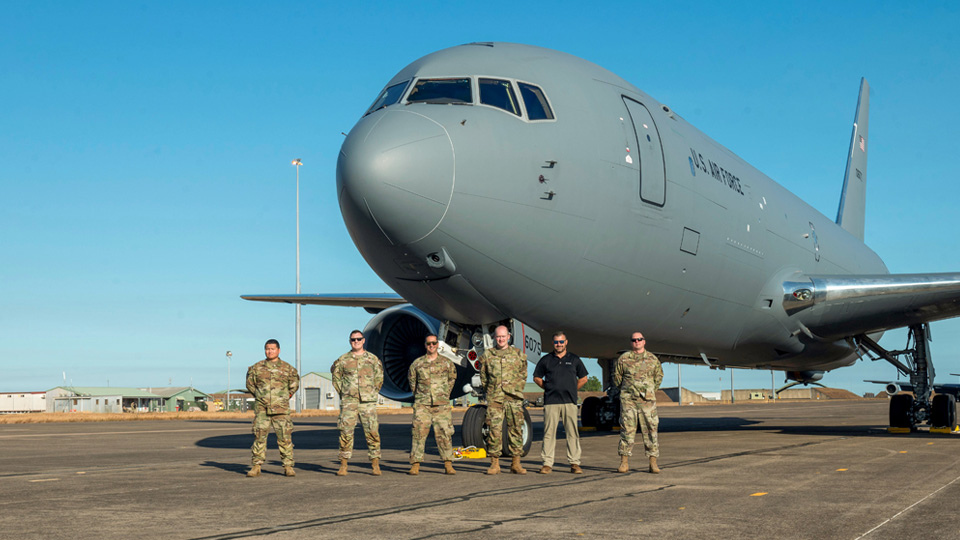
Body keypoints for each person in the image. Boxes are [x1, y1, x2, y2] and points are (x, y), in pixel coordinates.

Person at [533, 331, 588, 474]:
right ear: (553, 343)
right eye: (556, 342)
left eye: (561, 342)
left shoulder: (574, 359)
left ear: (566, 342)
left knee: (572, 433)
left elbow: (583, 378)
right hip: (551, 401)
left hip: (569, 401)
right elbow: (537, 377)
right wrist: (548, 387)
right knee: (549, 433)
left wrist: (572, 389)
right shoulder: (546, 360)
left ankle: (574, 463)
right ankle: (547, 463)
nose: (559, 344)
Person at [331, 330, 384, 476]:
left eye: (358, 339)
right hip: (349, 402)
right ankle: (343, 465)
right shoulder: (343, 360)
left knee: (372, 432)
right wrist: (345, 394)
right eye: (353, 339)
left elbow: (379, 379)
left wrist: (372, 393)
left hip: (368, 402)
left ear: (363, 340)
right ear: (350, 341)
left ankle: (375, 464)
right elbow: (336, 378)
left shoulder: (373, 359)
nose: (356, 341)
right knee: (345, 432)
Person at [245, 339, 300, 477]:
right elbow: (250, 384)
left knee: (285, 438)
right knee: (259, 437)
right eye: (267, 349)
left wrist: (285, 396)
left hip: (281, 409)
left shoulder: (288, 368)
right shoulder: (256, 368)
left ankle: (288, 466)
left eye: (272, 349)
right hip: (262, 409)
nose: (270, 351)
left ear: (279, 350)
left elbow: (294, 384)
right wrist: (260, 395)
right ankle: (256, 466)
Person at [407, 334, 458, 475]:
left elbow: (452, 379)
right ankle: (415, 464)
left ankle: (448, 463)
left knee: (444, 433)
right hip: (423, 404)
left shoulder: (447, 363)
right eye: (429, 343)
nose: (431, 346)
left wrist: (444, 394)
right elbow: (413, 382)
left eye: (434, 343)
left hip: (441, 404)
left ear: (437, 345)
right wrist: (420, 397)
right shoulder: (417, 364)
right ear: (425, 345)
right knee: (418, 433)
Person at [480, 325, 527, 475]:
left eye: (503, 336)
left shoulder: (518, 354)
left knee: (515, 429)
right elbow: (484, 377)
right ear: (494, 337)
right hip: (495, 398)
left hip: (513, 397)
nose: (500, 339)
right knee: (494, 430)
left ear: (509, 337)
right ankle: (495, 464)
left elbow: (523, 374)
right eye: (498, 336)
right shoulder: (488, 355)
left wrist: (516, 388)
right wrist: (491, 391)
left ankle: (516, 463)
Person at [614, 331, 663, 474]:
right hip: (629, 400)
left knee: (651, 430)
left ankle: (653, 462)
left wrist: (649, 390)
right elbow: (617, 378)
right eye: (634, 340)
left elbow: (658, 377)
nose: (637, 342)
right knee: (627, 430)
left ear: (644, 341)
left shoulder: (652, 359)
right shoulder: (624, 359)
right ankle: (624, 462)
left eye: (639, 339)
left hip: (647, 401)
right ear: (631, 342)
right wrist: (627, 391)